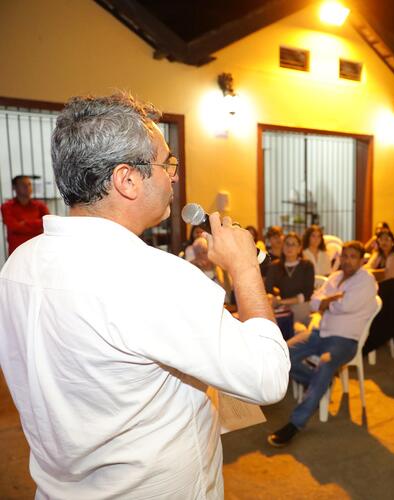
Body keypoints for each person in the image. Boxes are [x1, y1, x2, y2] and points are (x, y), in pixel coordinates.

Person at [0, 93, 290, 498]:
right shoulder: (155, 277)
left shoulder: (18, 266)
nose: (173, 176)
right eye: (167, 163)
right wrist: (245, 270)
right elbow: (269, 376)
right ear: (128, 179)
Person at [268, 241, 378, 447]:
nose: (347, 260)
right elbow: (314, 301)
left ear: (362, 260)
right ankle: (318, 383)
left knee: (326, 364)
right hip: (320, 333)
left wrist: (328, 302)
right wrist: (331, 299)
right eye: (344, 256)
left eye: (353, 256)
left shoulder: (367, 281)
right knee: (281, 354)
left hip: (344, 340)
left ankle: (296, 423)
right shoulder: (336, 277)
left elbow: (345, 306)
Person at [364, 230, 394, 354]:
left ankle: (373, 338)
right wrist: (366, 272)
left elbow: (386, 274)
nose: (384, 242)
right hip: (381, 287)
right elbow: (369, 267)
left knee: (375, 305)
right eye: (381, 239)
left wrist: (368, 273)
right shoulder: (378, 254)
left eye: (387, 239)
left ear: (393, 242)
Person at [264, 232, 316, 324]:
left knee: (290, 324)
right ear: (283, 246)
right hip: (279, 307)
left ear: (299, 249)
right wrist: (274, 298)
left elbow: (307, 294)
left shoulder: (307, 266)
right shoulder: (274, 266)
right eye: (287, 244)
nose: (290, 247)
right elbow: (268, 289)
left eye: (293, 244)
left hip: (300, 305)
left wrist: (282, 302)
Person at [1, 174, 50, 255]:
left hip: (37, 250)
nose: (27, 187)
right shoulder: (7, 207)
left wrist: (24, 223)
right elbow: (14, 227)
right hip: (17, 252)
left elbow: (47, 224)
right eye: (23, 184)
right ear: (14, 187)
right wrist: (37, 225)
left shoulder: (40, 205)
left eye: (29, 184)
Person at [189, 236, 233, 304]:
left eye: (204, 252)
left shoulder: (221, 269)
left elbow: (229, 294)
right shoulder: (193, 271)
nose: (200, 256)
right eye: (197, 253)